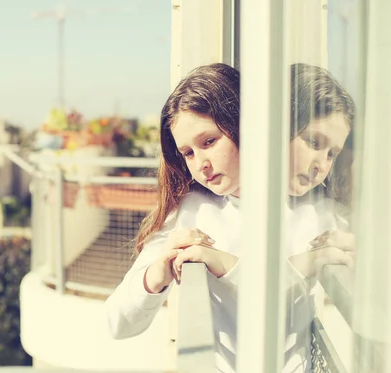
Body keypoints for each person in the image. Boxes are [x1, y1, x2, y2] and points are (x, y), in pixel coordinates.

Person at [104, 62, 355, 373]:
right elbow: (118, 323)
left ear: (242, 128)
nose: (201, 164)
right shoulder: (192, 212)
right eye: (188, 152)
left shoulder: (325, 215)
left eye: (209, 142)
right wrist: (157, 272)